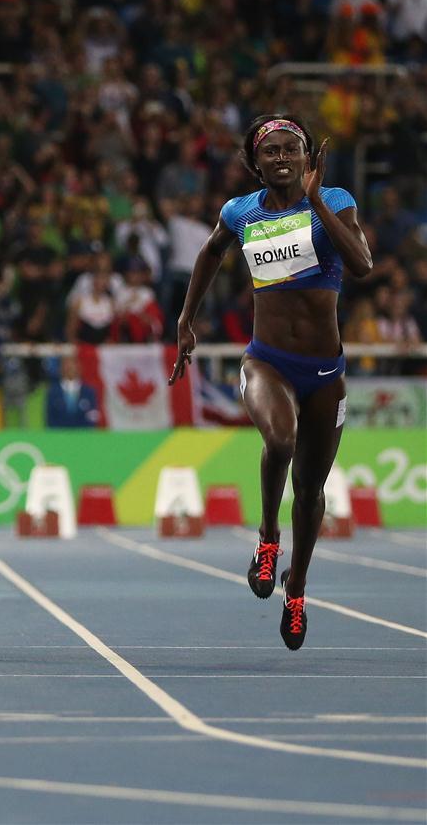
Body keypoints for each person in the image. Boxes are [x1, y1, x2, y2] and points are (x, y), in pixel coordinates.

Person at [170, 115, 372, 650]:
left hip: (326, 372)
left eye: (292, 149)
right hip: (267, 361)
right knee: (279, 440)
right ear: (254, 162)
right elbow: (212, 252)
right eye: (271, 152)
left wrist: (318, 203)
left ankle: (298, 588)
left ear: (307, 156)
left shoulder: (336, 198)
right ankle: (266, 537)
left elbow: (362, 265)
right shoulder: (240, 212)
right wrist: (186, 320)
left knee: (309, 490)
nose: (282, 158)